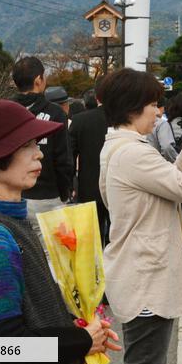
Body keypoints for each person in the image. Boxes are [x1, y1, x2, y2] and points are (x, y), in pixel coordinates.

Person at [0, 100, 122, 364]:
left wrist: (69, 328)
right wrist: (82, 341)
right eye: (27, 146)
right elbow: (5, 346)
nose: (39, 155)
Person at [98, 68, 182, 364]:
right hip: (146, 280)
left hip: (138, 273)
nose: (157, 111)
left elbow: (170, 181)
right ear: (133, 106)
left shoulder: (117, 148)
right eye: (153, 104)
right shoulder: (133, 154)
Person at [9, 56, 74, 223]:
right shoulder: (55, 113)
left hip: (11, 196)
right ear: (38, 80)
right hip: (48, 197)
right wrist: (65, 192)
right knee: (50, 249)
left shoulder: (5, 111)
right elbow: (63, 159)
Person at [68, 78, 111, 245]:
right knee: (118, 239)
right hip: (121, 187)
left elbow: (69, 156)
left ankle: (96, 270)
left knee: (91, 239)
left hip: (89, 187)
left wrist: (70, 185)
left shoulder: (80, 120)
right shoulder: (125, 119)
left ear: (97, 97)